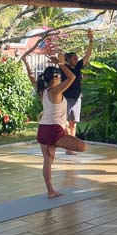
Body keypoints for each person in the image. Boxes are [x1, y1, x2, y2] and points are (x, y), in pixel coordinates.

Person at [36, 55, 88, 198]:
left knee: (48, 160)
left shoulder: (44, 92)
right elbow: (72, 77)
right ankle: (58, 144)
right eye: (59, 77)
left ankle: (50, 191)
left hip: (44, 129)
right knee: (83, 147)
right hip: (53, 130)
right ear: (56, 78)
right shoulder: (56, 91)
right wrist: (60, 63)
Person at [62, 29, 93, 154]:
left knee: (73, 123)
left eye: (76, 58)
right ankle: (67, 146)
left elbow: (88, 55)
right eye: (74, 58)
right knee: (64, 123)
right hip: (65, 98)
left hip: (76, 98)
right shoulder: (64, 67)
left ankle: (72, 147)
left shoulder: (79, 66)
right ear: (68, 59)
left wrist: (91, 40)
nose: (76, 60)